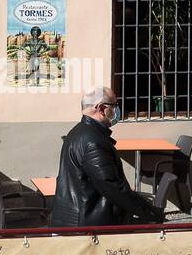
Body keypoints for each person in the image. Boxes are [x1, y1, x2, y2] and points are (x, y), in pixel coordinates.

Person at [49, 86, 164, 227]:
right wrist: (151, 213)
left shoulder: (78, 132)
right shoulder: (93, 141)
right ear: (102, 108)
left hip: (76, 221)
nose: (117, 110)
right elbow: (113, 188)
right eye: (115, 105)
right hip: (89, 227)